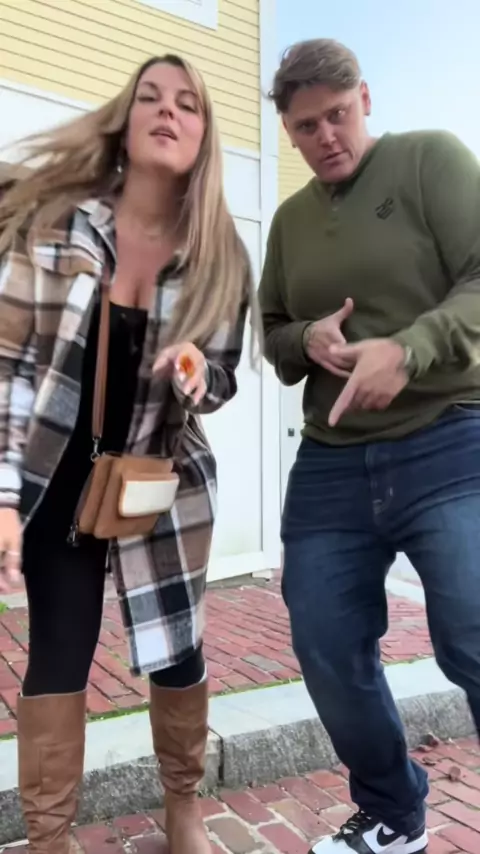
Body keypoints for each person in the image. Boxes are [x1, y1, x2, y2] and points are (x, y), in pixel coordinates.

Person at [0, 54, 256, 854]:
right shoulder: (59, 225)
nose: (167, 111)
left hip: (160, 476)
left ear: (204, 134)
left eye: (187, 103)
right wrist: (3, 499)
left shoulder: (220, 254)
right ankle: (50, 837)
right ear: (126, 117)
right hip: (60, 475)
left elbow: (222, 379)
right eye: (150, 97)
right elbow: (9, 365)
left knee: (178, 645)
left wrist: (196, 372)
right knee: (60, 647)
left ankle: (184, 809)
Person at [259, 37, 480, 854]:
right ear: (288, 132)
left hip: (449, 437)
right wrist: (307, 338)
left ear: (366, 100)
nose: (326, 136)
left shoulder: (431, 161)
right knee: (324, 644)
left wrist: (410, 349)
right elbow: (273, 332)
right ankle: (394, 812)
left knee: (473, 632)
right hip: (331, 461)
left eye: (338, 114)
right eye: (306, 125)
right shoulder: (290, 222)